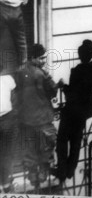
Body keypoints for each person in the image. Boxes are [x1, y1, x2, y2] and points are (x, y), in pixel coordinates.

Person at [55, 40, 92, 182]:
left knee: (62, 139)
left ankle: (62, 170)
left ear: (80, 55)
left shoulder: (76, 71)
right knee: (76, 140)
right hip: (85, 110)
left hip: (72, 109)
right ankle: (70, 170)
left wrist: (64, 86)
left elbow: (72, 94)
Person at [13, 44, 58, 187]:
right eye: (41, 58)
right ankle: (44, 173)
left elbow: (15, 94)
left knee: (29, 149)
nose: (44, 60)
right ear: (33, 58)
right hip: (42, 119)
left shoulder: (19, 72)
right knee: (46, 147)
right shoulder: (42, 74)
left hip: (25, 119)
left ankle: (33, 176)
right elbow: (52, 91)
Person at [0, 65, 16, 192]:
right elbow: (15, 94)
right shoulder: (8, 79)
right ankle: (5, 182)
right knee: (6, 152)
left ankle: (3, 183)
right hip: (7, 119)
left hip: (7, 119)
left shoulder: (8, 79)